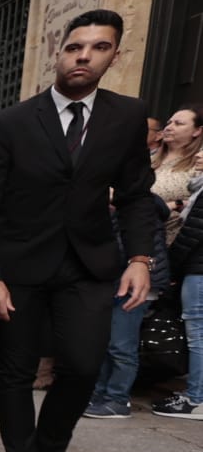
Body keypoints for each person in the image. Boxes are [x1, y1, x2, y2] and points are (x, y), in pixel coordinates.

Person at [0, 8, 156, 452]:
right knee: (16, 370)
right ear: (59, 51)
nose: (84, 56)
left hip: (89, 264)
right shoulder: (10, 122)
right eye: (75, 47)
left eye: (98, 47)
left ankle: (50, 449)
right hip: (19, 266)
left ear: (115, 54)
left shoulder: (129, 116)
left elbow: (136, 194)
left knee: (83, 364)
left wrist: (140, 258)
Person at [84, 193, 171, 418]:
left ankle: (117, 399)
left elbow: (125, 249)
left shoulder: (140, 207)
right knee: (107, 343)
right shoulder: (123, 208)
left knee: (121, 345)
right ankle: (100, 395)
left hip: (134, 283)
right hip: (119, 282)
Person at [154, 182, 203, 418]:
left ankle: (197, 398)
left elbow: (192, 234)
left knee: (198, 335)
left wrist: (171, 268)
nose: (200, 155)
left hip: (199, 271)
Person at [150, 106, 203, 243]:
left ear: (197, 131)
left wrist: (176, 204)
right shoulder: (148, 159)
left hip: (172, 243)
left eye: (178, 124)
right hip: (135, 236)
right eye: (169, 123)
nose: (168, 127)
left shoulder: (198, 162)